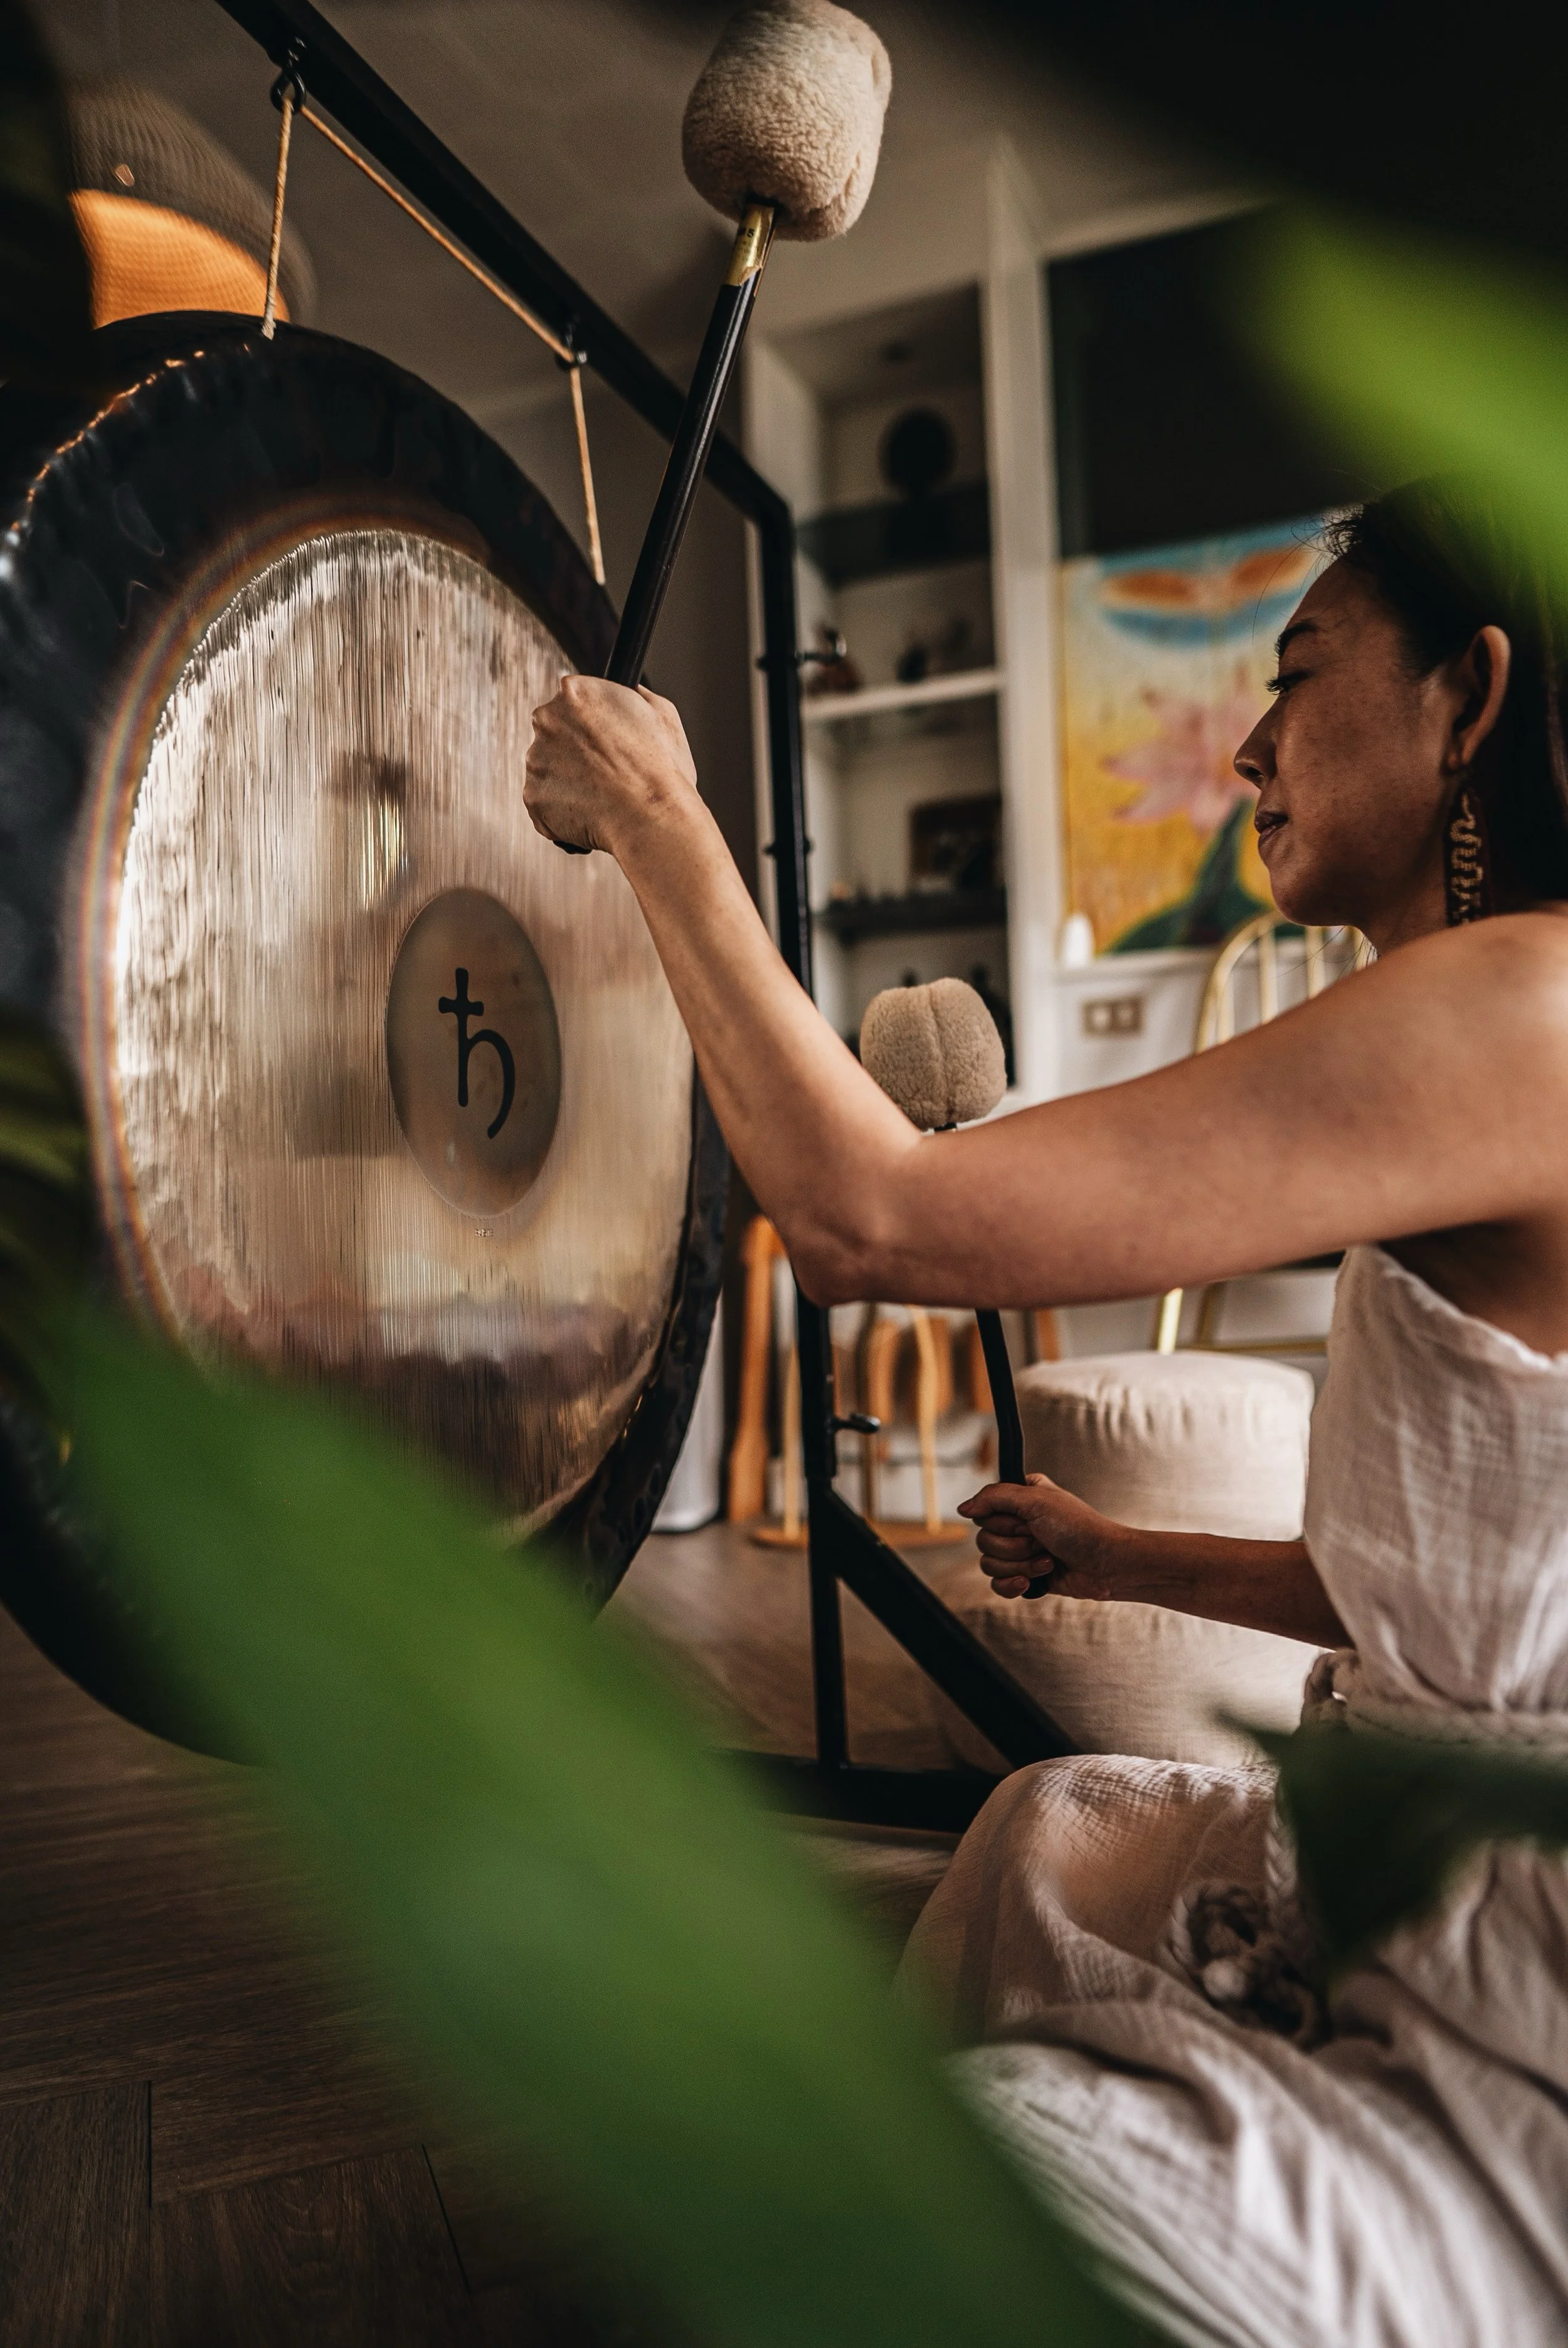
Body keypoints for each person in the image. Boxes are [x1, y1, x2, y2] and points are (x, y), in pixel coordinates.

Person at [524, 481, 1568, 2348]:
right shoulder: (1495, 1011)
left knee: (907, 2196)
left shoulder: (1517, 1008)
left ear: (1466, 700)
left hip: (1516, 2046)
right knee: (1039, 1831)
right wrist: (1120, 1552)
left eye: (1302, 670)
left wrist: (663, 824)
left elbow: (867, 1216)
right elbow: (1452, 1601)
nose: (1247, 738)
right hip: (1425, 1858)